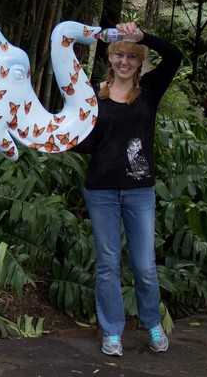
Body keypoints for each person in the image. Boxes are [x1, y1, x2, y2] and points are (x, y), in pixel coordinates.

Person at [72, 23, 183, 356]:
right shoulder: (95, 93)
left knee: (144, 265)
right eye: (119, 54)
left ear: (139, 61)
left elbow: (175, 56)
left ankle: (152, 324)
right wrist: (62, 141)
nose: (124, 61)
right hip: (101, 190)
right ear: (111, 57)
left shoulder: (149, 89)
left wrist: (141, 36)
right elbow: (90, 142)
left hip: (139, 191)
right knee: (107, 263)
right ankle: (112, 332)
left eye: (131, 56)